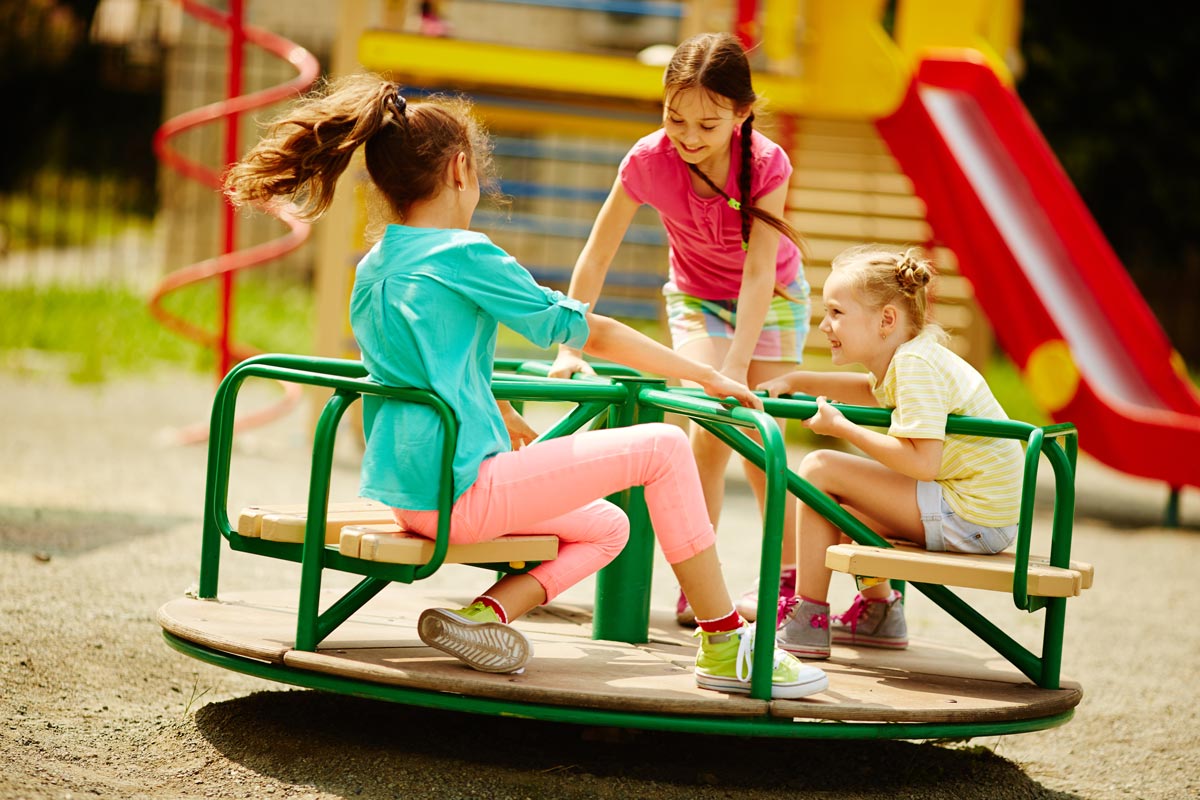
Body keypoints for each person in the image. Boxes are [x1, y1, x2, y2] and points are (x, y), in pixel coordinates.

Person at [223, 74, 828, 699]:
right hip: (460, 490)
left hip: (407, 492)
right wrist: (706, 374)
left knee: (606, 528)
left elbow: (428, 361)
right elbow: (586, 329)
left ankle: (484, 616)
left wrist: (499, 411)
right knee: (664, 448)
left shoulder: (378, 261)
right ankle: (726, 643)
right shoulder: (462, 254)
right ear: (461, 170)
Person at [548, 32, 811, 627]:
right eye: (676, 118)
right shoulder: (648, 159)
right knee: (707, 424)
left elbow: (759, 273)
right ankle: (705, 583)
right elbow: (597, 254)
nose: (689, 137)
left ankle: (791, 585)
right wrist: (569, 344)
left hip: (770, 301)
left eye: (709, 124)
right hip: (695, 296)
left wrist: (738, 363)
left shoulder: (767, 164)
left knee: (761, 440)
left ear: (742, 115)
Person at [756, 245, 1025, 659]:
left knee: (818, 468)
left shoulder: (915, 366)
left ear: (886, 320)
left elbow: (922, 462)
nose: (825, 325)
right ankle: (879, 613)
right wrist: (799, 380)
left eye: (836, 313)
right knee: (834, 502)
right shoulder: (909, 359)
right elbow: (871, 392)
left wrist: (842, 428)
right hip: (979, 514)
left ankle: (809, 619)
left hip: (972, 515)